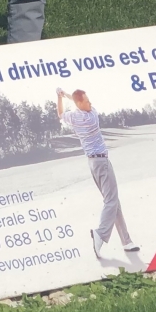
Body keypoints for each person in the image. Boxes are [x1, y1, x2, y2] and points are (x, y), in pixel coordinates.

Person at [56, 88, 143, 272]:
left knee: (114, 200)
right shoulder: (91, 116)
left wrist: (60, 96)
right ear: (80, 104)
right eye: (86, 101)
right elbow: (78, 102)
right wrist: (67, 95)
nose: (90, 103)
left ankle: (126, 241)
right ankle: (100, 234)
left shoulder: (74, 116)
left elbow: (61, 113)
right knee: (111, 200)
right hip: (102, 162)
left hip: (93, 163)